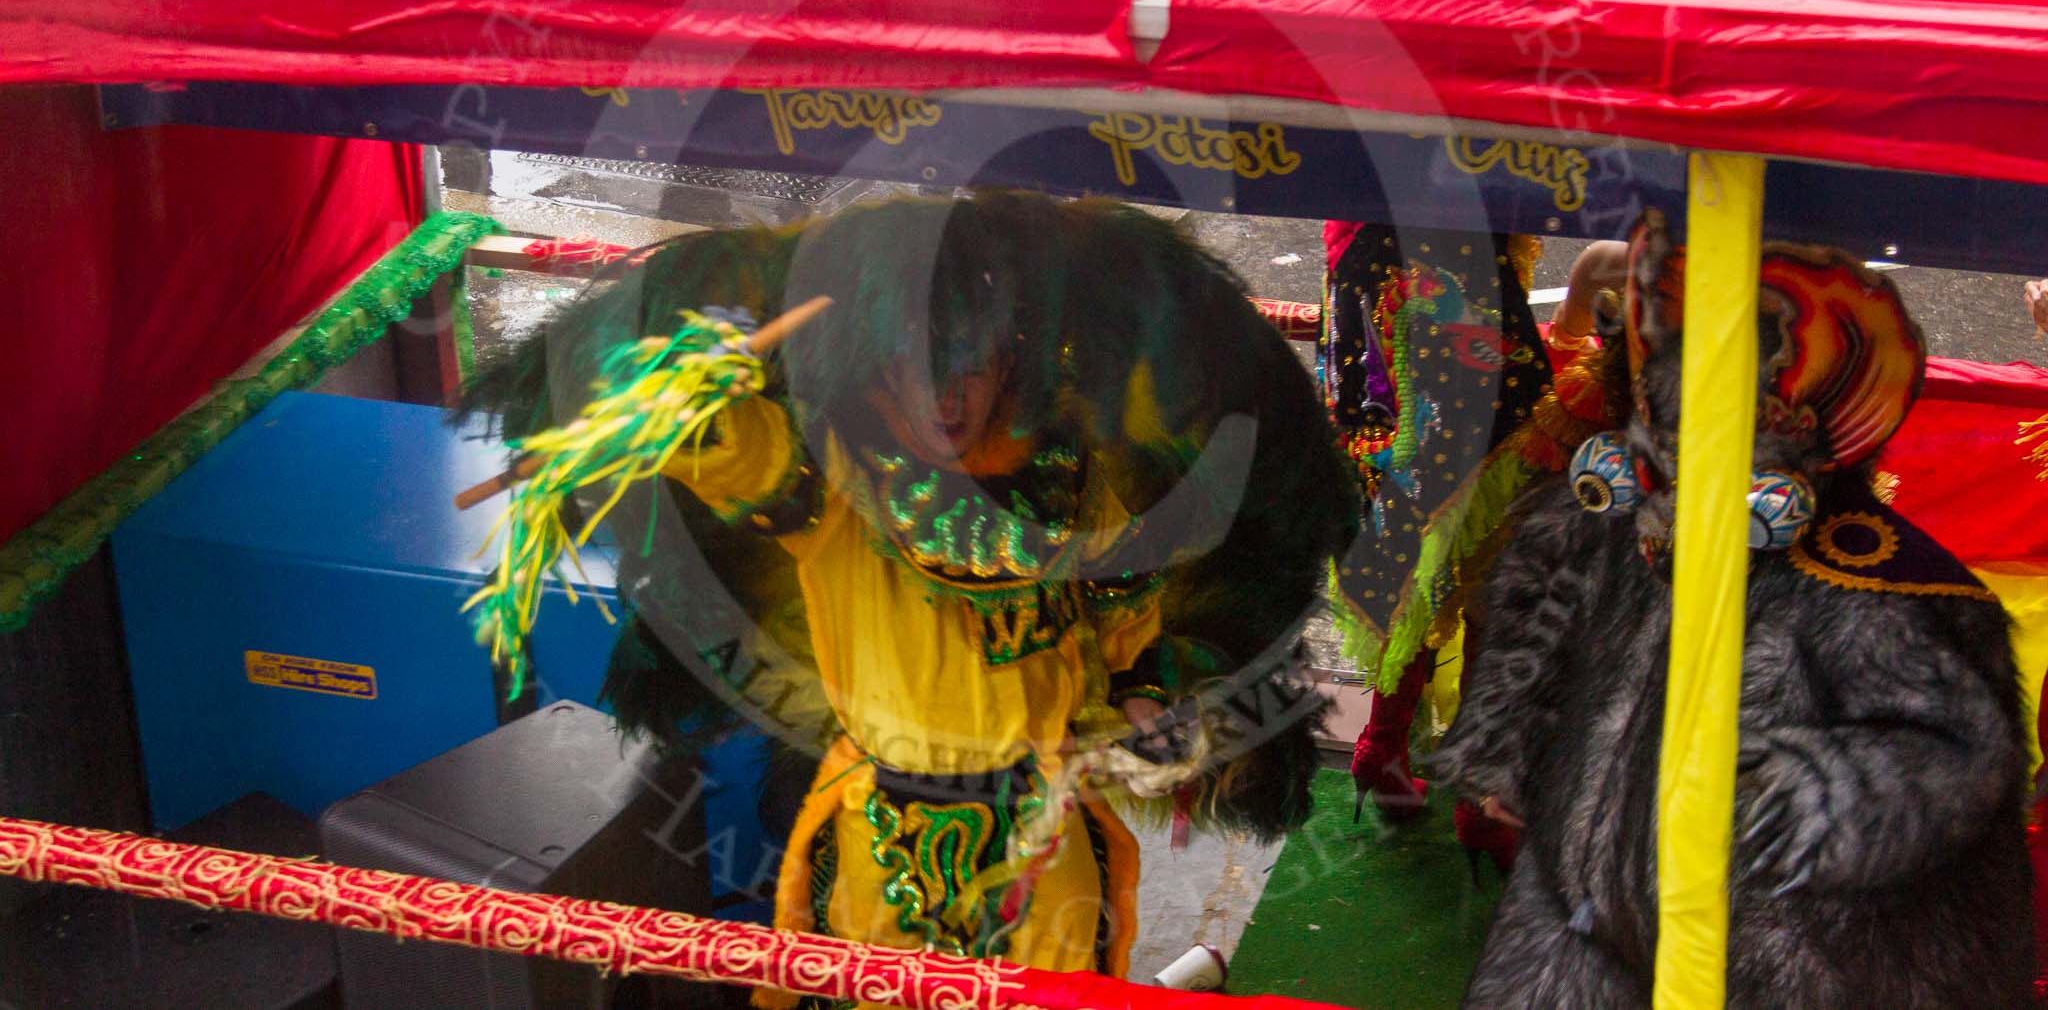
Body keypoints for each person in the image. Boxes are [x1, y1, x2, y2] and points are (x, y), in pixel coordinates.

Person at [462, 192, 1359, 1007]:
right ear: (877, 373)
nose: (947, 399)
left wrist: (1150, 692)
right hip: (881, 836)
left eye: (970, 369)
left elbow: (1136, 623)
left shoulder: (1075, 482)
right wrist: (679, 388)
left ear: (1013, 360)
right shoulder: (830, 481)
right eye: (918, 372)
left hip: (1039, 836)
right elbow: (737, 454)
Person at [1435, 214, 2033, 1007]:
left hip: (1793, 958)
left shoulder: (1887, 586)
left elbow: (1958, 754)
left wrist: (1810, 792)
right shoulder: (1605, 524)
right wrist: (1507, 739)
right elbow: (1537, 618)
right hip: (1585, 913)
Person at [1325, 224, 1623, 875]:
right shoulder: (1471, 169)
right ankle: (1481, 802)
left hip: (1380, 382)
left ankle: (1384, 751)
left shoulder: (1350, 199)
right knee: (1496, 595)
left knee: (1417, 581)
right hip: (1480, 393)